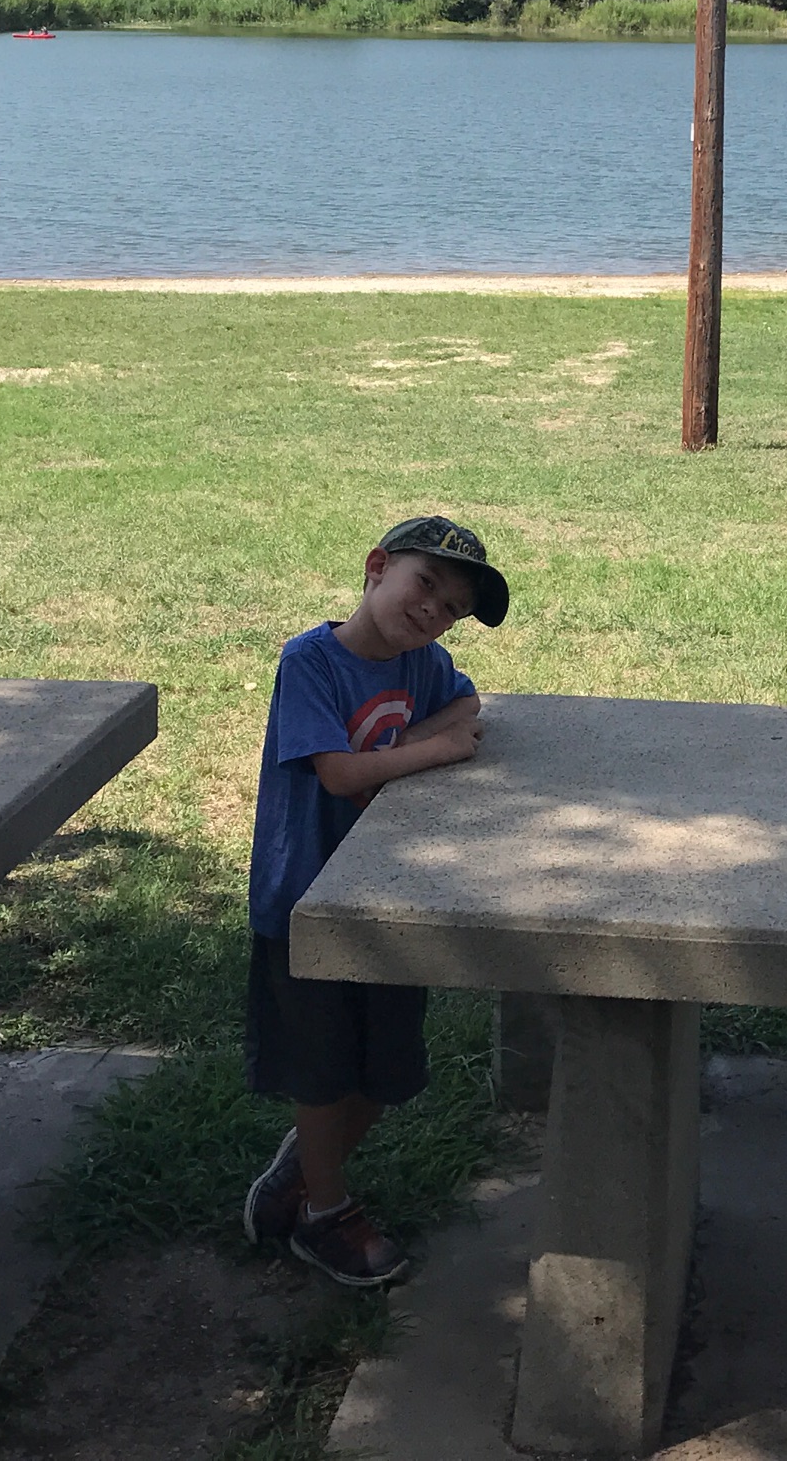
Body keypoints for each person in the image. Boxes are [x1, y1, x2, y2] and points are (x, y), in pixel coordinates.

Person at [242, 515, 506, 1286]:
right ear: (376, 566)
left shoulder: (424, 663)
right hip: (305, 900)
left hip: (386, 898)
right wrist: (431, 750)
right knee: (322, 1075)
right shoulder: (311, 663)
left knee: (387, 1071)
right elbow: (338, 774)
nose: (432, 611)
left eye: (452, 608)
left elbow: (468, 704)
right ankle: (324, 1214)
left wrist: (417, 738)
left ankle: (303, 1166)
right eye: (426, 584)